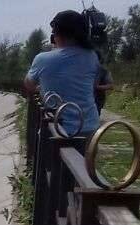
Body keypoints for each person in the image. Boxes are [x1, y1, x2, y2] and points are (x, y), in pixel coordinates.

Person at [24, 10, 100, 141]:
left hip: (60, 129)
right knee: (84, 161)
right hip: (90, 126)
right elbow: (93, 85)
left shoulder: (42, 59)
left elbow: (29, 84)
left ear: (58, 34)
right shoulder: (92, 56)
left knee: (58, 160)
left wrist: (43, 89)